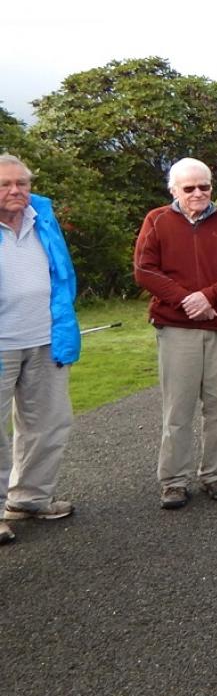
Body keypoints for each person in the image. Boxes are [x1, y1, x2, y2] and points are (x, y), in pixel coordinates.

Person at [134, 158, 217, 509]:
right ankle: (174, 481)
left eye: (205, 186)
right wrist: (189, 301)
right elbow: (144, 270)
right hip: (177, 328)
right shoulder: (157, 220)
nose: (198, 193)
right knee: (178, 408)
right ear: (174, 190)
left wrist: (209, 297)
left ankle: (215, 474)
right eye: (189, 188)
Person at [0, 154, 80, 545]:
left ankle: (29, 499)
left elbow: (62, 273)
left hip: (46, 338)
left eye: (22, 183)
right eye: (5, 184)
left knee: (48, 424)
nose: (16, 191)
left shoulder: (41, 218)